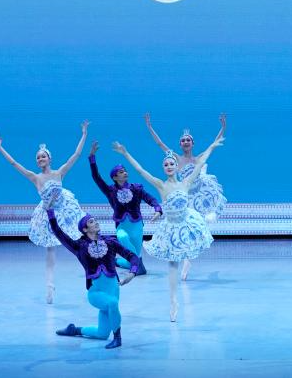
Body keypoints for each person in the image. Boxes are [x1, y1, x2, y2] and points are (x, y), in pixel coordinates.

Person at [112, 142, 216, 322]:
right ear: (163, 168)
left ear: (176, 166)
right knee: (173, 265)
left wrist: (212, 146)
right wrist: (126, 153)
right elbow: (140, 170)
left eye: (171, 164)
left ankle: (188, 260)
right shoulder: (160, 185)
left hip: (186, 222)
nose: (168, 166)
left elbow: (200, 163)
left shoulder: (185, 182)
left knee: (190, 246)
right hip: (172, 228)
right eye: (166, 164)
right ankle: (173, 301)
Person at [0, 121, 88, 303]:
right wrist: (0, 147)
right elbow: (14, 163)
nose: (40, 159)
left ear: (49, 159)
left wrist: (84, 134)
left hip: (65, 211)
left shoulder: (59, 173)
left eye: (43, 156)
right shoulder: (35, 177)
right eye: (37, 158)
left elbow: (76, 155)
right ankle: (49, 285)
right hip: (48, 214)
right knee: (50, 250)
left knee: (80, 240)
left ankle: (92, 268)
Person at [144, 113, 227, 280]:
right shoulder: (176, 159)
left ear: (192, 143)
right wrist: (149, 127)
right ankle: (184, 260)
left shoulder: (198, 158)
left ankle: (187, 263)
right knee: (185, 228)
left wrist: (223, 128)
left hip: (201, 196)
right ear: (180, 144)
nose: (185, 142)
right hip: (186, 198)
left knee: (197, 230)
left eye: (188, 140)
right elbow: (160, 144)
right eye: (183, 140)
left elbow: (213, 145)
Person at [48, 199, 138, 349]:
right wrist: (50, 211)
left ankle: (74, 330)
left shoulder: (110, 242)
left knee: (102, 333)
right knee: (112, 304)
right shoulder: (79, 246)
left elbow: (133, 257)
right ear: (84, 229)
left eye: (95, 220)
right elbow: (58, 232)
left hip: (113, 289)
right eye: (91, 222)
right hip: (96, 292)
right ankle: (118, 338)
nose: (96, 222)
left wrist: (132, 273)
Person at [88, 140, 163, 274]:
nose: (125, 173)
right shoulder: (110, 191)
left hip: (137, 227)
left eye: (125, 171)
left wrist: (157, 209)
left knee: (138, 266)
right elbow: (96, 177)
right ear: (115, 177)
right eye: (121, 172)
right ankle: (135, 263)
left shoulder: (136, 188)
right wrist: (92, 158)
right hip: (122, 226)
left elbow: (150, 198)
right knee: (122, 237)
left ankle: (115, 261)